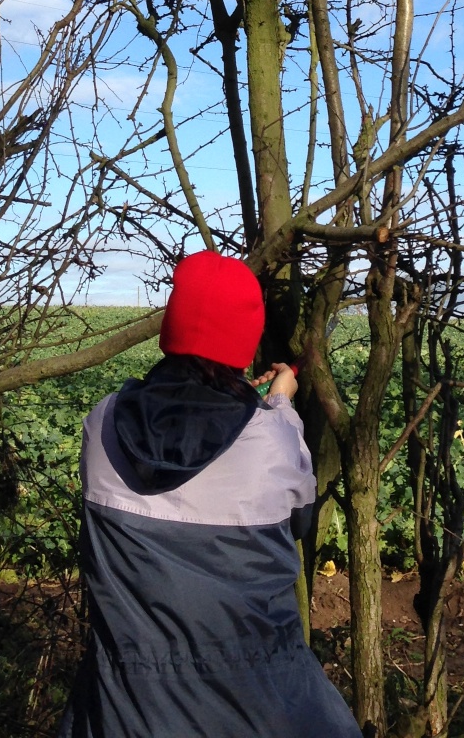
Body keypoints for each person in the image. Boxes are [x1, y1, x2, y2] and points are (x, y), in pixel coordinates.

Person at [58, 250, 361, 737]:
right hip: (258, 705)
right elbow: (300, 520)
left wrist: (252, 410)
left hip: (124, 709)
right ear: (244, 340)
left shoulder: (103, 421)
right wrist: (279, 404)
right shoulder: (272, 439)